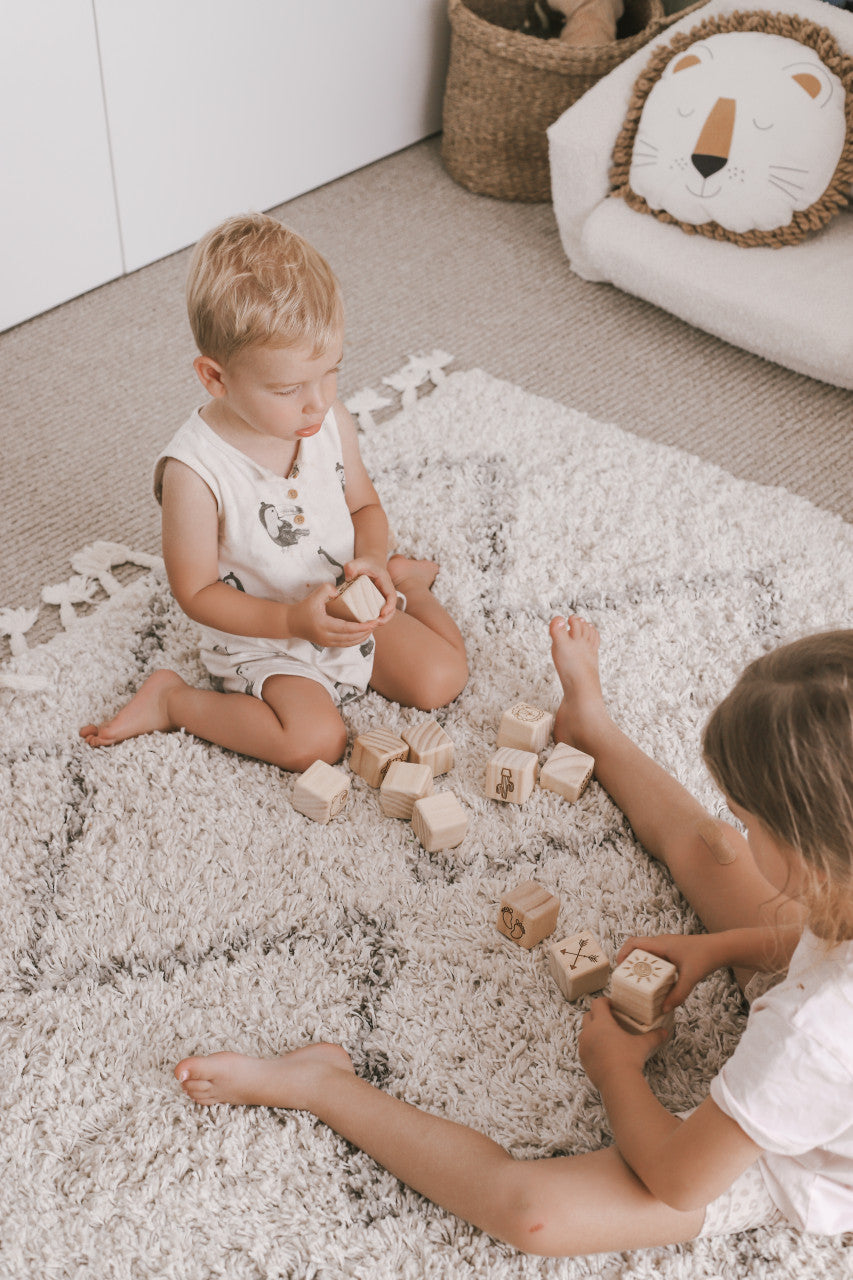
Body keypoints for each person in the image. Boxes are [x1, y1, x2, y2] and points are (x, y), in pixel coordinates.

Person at [174, 617, 853, 1255]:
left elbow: (678, 1178)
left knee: (531, 1211)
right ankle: (594, 733)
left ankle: (321, 1084)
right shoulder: (835, 895)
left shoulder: (809, 1032)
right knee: (717, 851)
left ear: (816, 855)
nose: (735, 823)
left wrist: (613, 1070)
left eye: (748, 816)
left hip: (806, 1161)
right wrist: (722, 947)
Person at [80, 214, 467, 771]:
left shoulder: (329, 418)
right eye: (288, 388)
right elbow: (197, 593)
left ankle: (404, 581)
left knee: (442, 678)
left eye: (331, 372)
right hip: (262, 635)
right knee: (313, 744)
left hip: (339, 602)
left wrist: (374, 561)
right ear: (215, 378)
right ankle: (173, 700)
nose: (317, 402)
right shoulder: (195, 472)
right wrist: (291, 624)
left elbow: (363, 506)